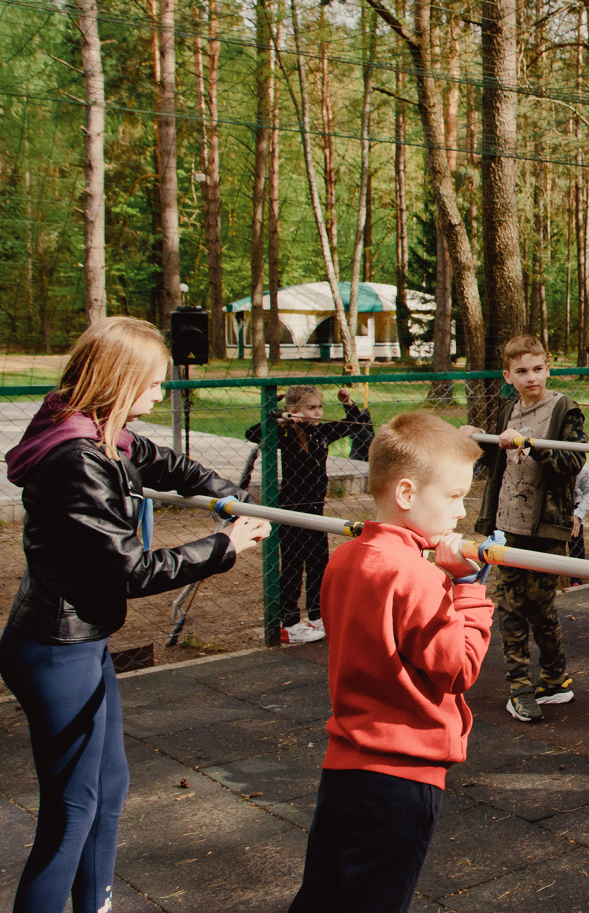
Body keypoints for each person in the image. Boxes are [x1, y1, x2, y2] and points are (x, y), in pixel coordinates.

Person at [1, 316, 269, 913]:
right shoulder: (76, 458)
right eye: (151, 384)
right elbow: (130, 571)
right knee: (72, 808)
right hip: (54, 647)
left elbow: (161, 460)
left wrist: (228, 491)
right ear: (118, 382)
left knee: (108, 786)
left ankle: (94, 901)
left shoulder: (100, 432)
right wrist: (224, 546)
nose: (157, 395)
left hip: (80, 639)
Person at [287, 411, 492, 913]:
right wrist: (467, 589)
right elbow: (459, 668)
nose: (462, 512)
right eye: (452, 497)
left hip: (344, 766)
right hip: (402, 775)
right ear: (406, 494)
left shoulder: (345, 559)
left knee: (323, 893)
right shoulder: (418, 579)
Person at [469, 336, 586, 721]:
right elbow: (498, 459)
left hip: (545, 528)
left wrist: (532, 445)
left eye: (537, 369)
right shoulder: (507, 410)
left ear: (548, 368)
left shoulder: (564, 409)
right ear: (508, 376)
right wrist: (476, 440)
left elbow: (573, 462)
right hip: (507, 525)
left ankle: (555, 679)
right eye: (521, 371)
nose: (531, 377)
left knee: (541, 607)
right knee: (508, 607)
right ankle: (519, 687)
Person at [245, 383, 372, 644]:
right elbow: (252, 433)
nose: (317, 413)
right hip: (292, 511)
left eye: (319, 407)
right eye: (310, 408)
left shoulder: (322, 432)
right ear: (294, 410)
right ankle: (289, 623)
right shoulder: (286, 433)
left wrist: (348, 404)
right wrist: (277, 414)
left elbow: (357, 424)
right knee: (292, 567)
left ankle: (316, 615)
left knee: (319, 565)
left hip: (317, 511)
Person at [566, 462, 589, 588]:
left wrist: (578, 515)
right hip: (550, 503)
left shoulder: (583, 468)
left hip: (574, 504)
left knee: (576, 539)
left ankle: (576, 581)